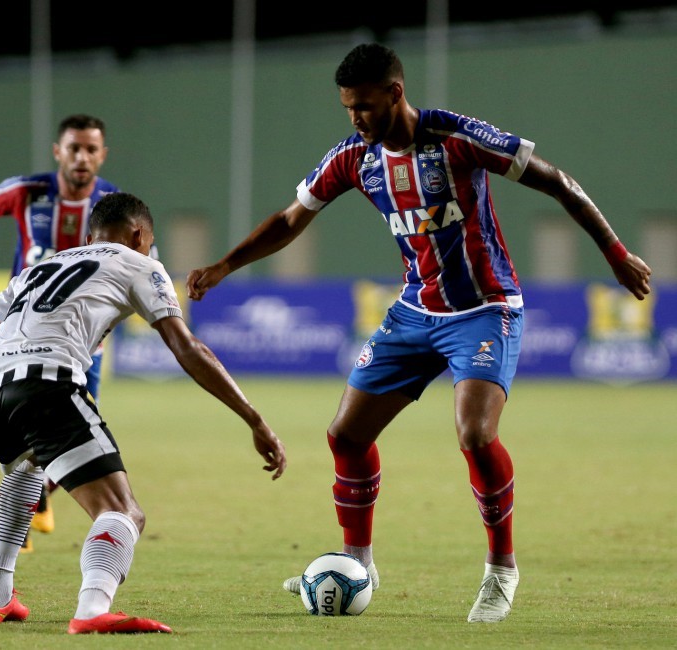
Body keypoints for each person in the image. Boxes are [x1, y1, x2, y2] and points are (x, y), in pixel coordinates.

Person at [186, 43, 651, 623]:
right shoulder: (355, 158)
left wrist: (615, 252)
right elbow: (288, 220)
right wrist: (223, 267)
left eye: (362, 106)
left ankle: (501, 571)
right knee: (345, 436)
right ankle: (358, 564)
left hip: (486, 309)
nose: (354, 118)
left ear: (394, 94)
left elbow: (557, 180)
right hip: (413, 313)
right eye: (347, 108)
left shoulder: (457, 138)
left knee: (475, 435)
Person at [0, 192, 287, 634]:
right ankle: (92, 609)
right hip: (43, 384)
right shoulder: (141, 263)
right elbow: (187, 347)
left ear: (88, 236)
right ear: (140, 235)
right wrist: (254, 419)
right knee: (124, 511)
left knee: (25, 469)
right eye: (149, 242)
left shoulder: (36, 269)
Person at [0, 113, 120, 551]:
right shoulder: (28, 193)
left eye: (90, 149)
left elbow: (133, 264)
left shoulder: (113, 202)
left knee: (61, 440)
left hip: (82, 346)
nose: (82, 157)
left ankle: (34, 499)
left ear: (102, 155)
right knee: (30, 435)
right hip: (19, 339)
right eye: (73, 148)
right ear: (58, 152)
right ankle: (23, 514)